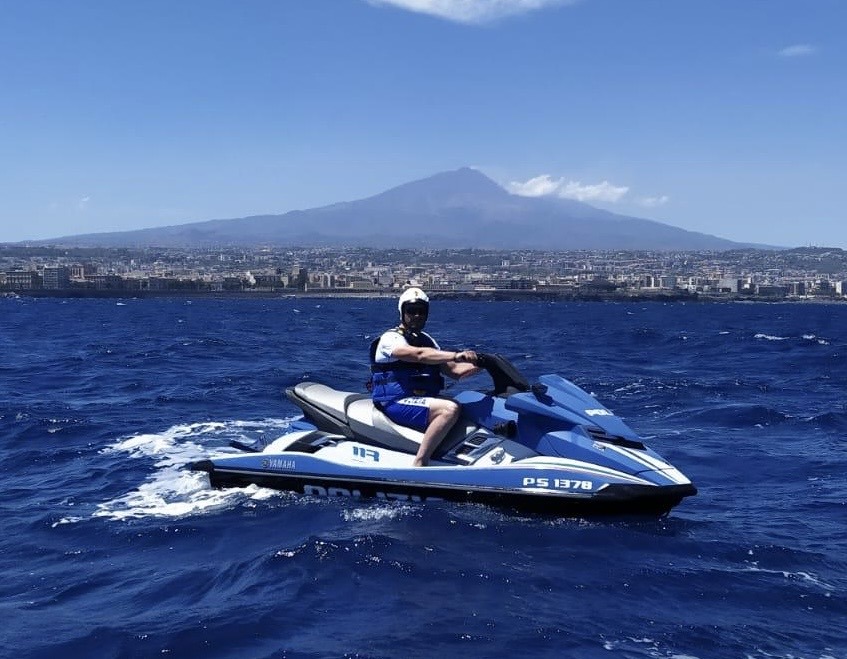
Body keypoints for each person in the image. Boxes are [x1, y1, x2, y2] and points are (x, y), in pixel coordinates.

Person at [369, 287, 480, 466]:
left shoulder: (427, 340)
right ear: (402, 312)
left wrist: (484, 364)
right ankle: (420, 462)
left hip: (420, 399)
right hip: (394, 401)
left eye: (421, 311)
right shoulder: (390, 339)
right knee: (449, 409)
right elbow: (419, 354)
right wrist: (455, 354)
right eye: (412, 311)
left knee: (469, 407)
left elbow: (455, 372)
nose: (417, 315)